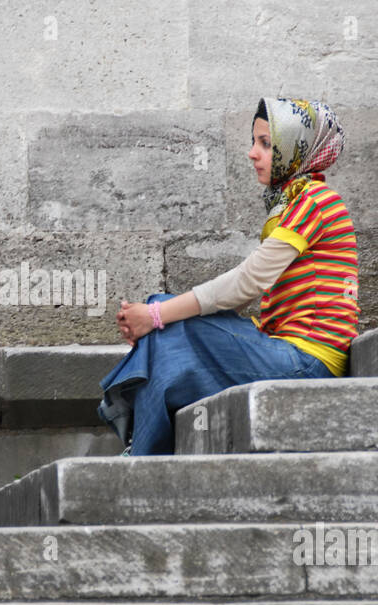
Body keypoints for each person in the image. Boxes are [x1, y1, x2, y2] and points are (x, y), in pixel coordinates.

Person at [98, 97, 358, 455]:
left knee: (171, 319)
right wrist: (156, 322)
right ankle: (141, 451)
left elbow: (246, 283)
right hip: (287, 354)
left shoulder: (315, 200)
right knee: (172, 356)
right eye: (254, 142)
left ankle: (138, 446)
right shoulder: (295, 201)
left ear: (298, 148)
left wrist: (155, 317)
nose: (253, 153)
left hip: (308, 363)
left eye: (266, 144)